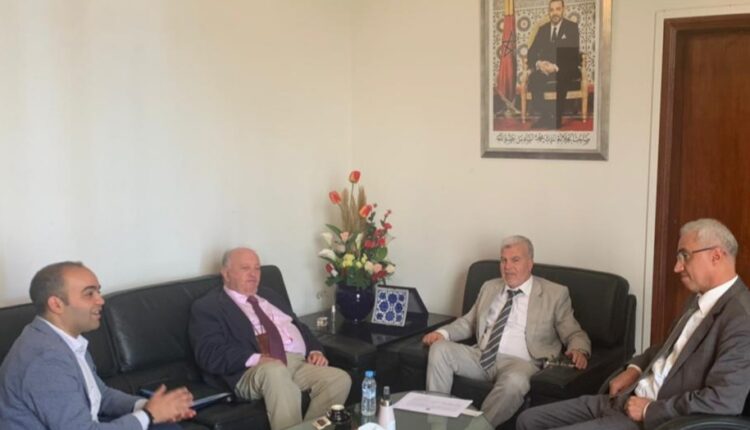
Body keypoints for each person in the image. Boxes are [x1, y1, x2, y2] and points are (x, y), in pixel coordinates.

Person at [517, 218, 750, 430]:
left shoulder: (741, 318)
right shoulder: (698, 299)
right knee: (528, 420)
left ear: (716, 256)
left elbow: (724, 400)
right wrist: (634, 369)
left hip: (655, 419)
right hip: (625, 399)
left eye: (684, 256)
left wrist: (649, 409)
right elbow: (665, 349)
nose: (677, 267)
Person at [0, 262, 195, 430]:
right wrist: (149, 415)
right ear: (56, 304)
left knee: (166, 426)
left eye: (98, 292)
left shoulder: (67, 340)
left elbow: (101, 395)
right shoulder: (45, 359)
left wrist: (150, 406)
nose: (101, 300)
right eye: (89, 294)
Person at [422, 235, 591, 427]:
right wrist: (442, 334)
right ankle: (436, 425)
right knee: (439, 349)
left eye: (515, 260)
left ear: (530, 263)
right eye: (503, 260)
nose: (507, 267)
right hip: (482, 355)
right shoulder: (489, 287)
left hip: (521, 363)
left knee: (515, 382)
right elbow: (469, 322)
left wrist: (579, 350)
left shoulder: (554, 294)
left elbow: (574, 333)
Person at [188, 247, 351, 430]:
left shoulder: (269, 295)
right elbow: (209, 353)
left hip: (296, 362)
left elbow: (299, 326)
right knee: (275, 371)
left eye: (257, 268)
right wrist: (257, 358)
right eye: (245, 268)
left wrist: (315, 350)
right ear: (226, 274)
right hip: (251, 370)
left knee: (338, 378)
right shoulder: (209, 306)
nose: (253, 274)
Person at [526, 0, 581, 129]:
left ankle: (557, 118)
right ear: (548, 12)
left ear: (563, 10)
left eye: (558, 9)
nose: (554, 13)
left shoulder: (571, 27)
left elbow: (572, 54)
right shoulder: (543, 29)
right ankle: (545, 116)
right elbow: (531, 52)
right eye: (551, 10)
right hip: (546, 68)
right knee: (534, 78)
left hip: (565, 67)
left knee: (562, 75)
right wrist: (539, 64)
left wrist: (555, 67)